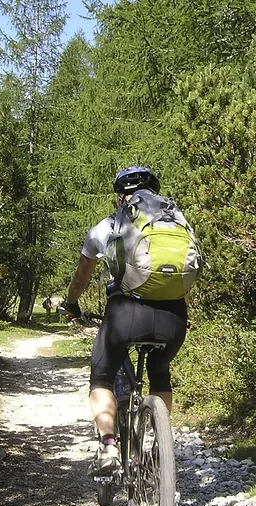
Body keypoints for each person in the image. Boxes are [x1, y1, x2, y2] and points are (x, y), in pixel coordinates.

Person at [66, 166, 188, 474]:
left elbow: (82, 276)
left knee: (101, 378)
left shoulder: (105, 228)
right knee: (160, 372)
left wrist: (71, 304)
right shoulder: (176, 224)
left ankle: (109, 447)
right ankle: (161, 446)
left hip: (125, 315)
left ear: (120, 198)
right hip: (173, 317)